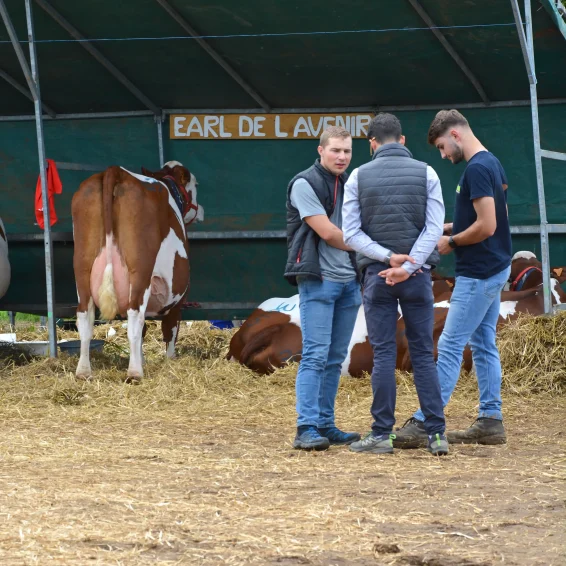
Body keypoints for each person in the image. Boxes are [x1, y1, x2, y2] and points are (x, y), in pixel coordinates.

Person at [395, 109, 512, 447]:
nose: (444, 155)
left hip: (479, 272)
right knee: (483, 343)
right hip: (494, 265)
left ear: (455, 135)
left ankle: (426, 421)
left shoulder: (476, 169)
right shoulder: (491, 163)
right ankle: (491, 420)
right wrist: (446, 228)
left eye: (443, 147)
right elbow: (497, 216)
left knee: (448, 345)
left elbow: (488, 225)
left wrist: (452, 241)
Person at [342, 113, 448, 456]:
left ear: (371, 144)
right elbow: (434, 230)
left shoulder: (356, 176)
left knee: (385, 353)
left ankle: (381, 435)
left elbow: (351, 234)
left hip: (378, 276)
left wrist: (390, 259)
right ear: (402, 140)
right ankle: (436, 434)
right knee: (422, 353)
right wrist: (411, 264)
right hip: (417, 277)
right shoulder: (428, 172)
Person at [284, 126, 362, 451]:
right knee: (315, 356)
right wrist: (376, 249)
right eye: (335, 150)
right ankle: (306, 428)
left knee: (335, 358)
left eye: (347, 151)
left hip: (349, 282)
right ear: (321, 150)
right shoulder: (304, 183)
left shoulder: (352, 183)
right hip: (318, 280)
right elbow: (329, 233)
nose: (342, 156)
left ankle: (326, 425)